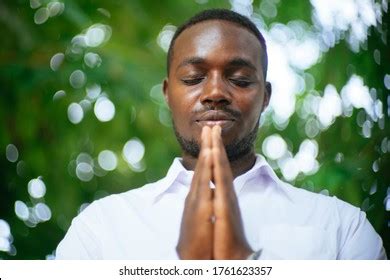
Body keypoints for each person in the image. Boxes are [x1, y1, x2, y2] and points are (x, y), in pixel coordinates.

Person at [56, 9, 387, 260]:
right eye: (193, 78)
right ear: (168, 93)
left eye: (240, 79)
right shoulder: (100, 229)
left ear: (265, 96)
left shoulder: (342, 228)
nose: (215, 92)